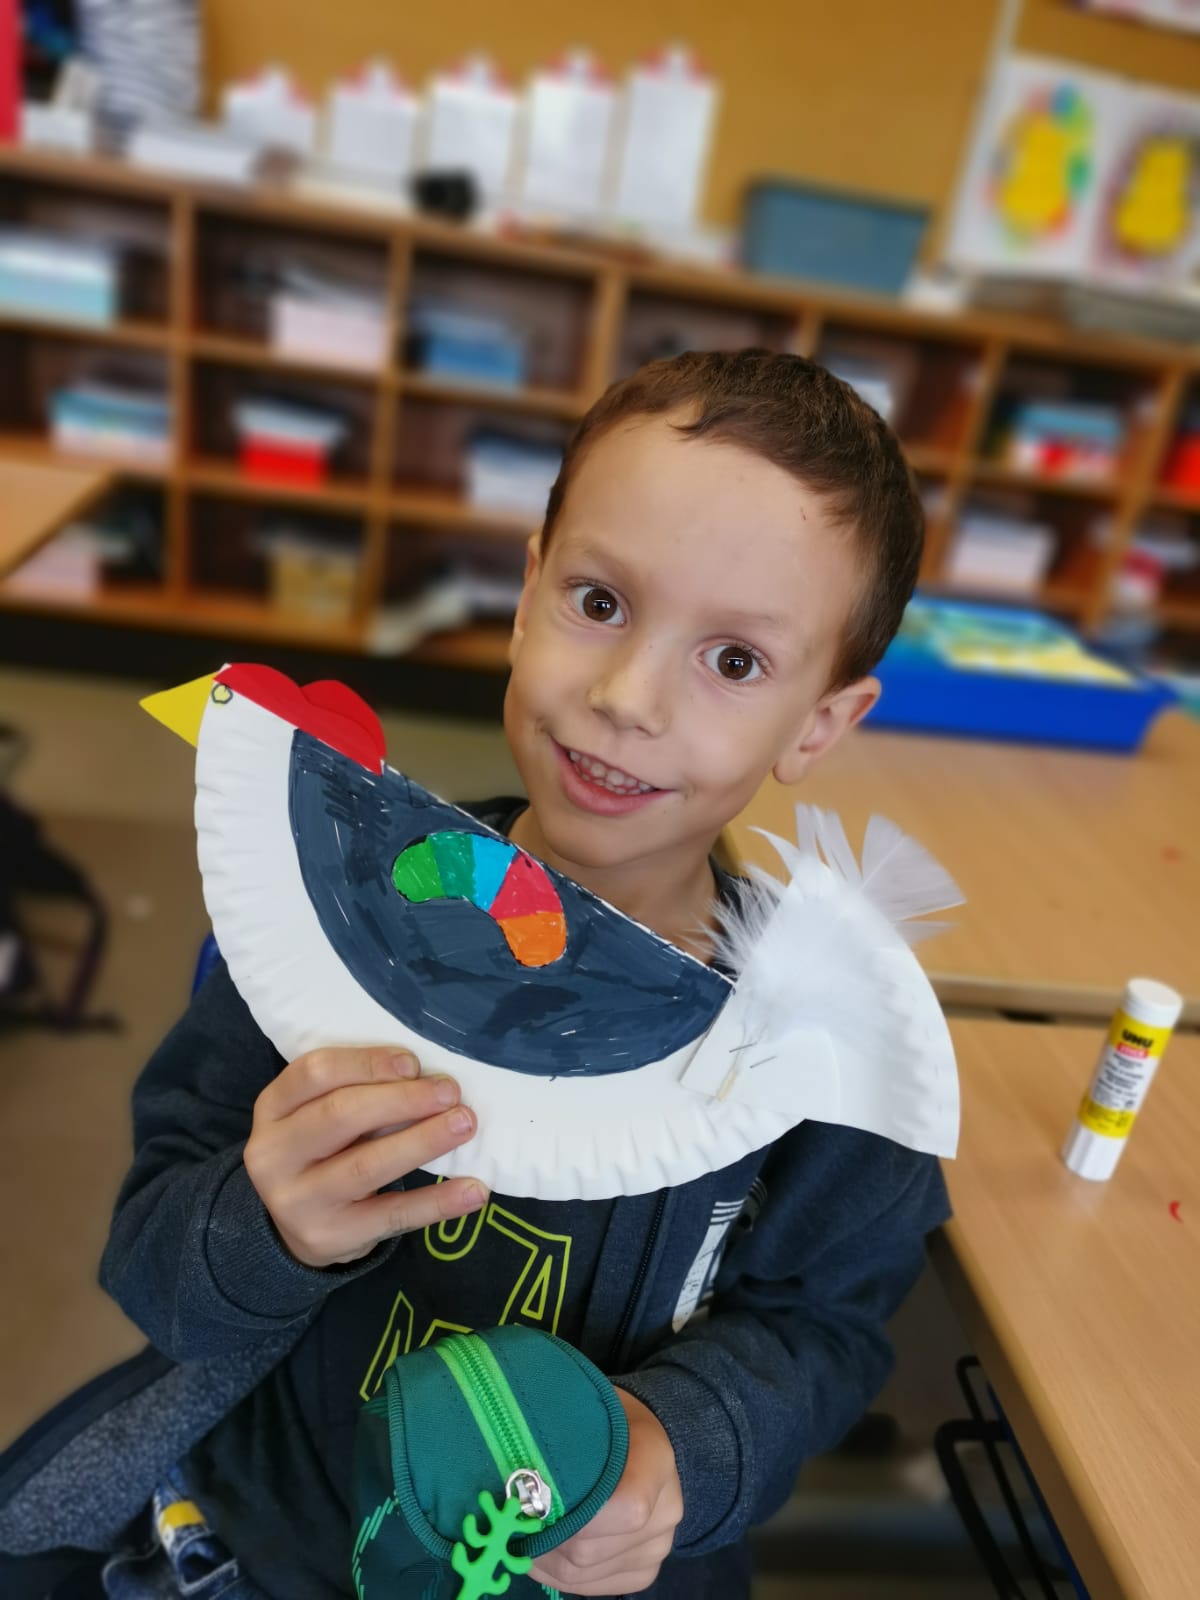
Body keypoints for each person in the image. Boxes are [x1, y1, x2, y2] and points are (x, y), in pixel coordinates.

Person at [15, 349, 949, 1600]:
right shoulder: (337, 918)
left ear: (821, 722)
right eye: (599, 602)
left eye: (734, 661)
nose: (627, 698)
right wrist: (263, 1224)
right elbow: (155, 1262)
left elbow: (823, 1329)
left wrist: (684, 1445)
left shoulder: (828, 1055)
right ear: (525, 597)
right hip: (247, 1549)